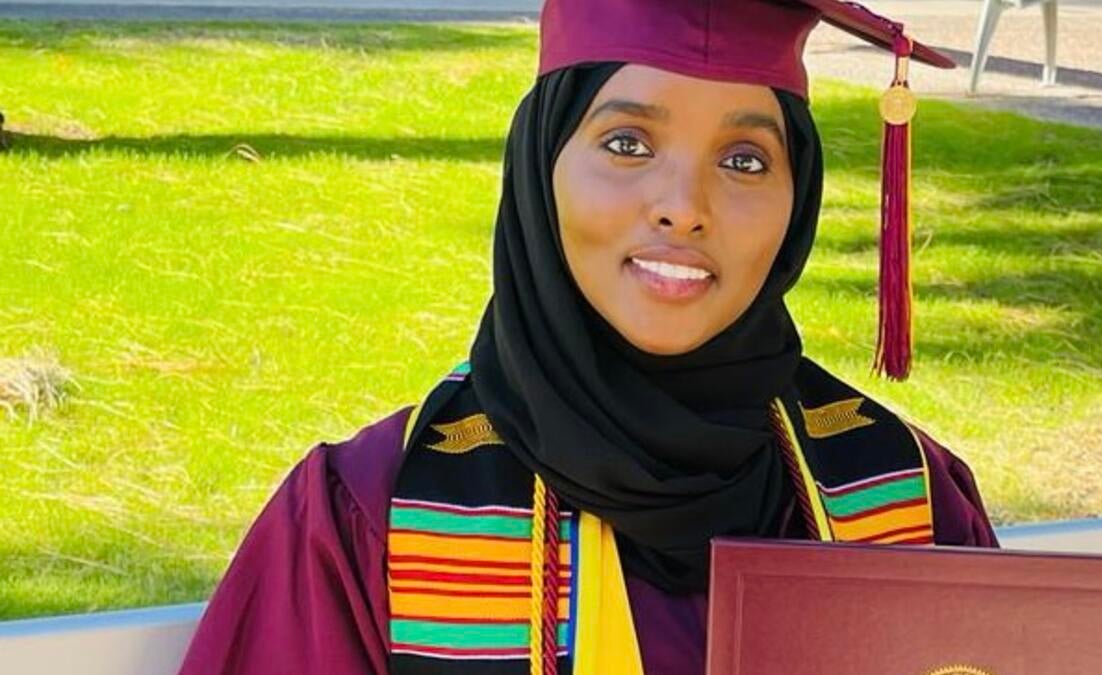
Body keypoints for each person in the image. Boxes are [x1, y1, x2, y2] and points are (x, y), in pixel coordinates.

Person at [179, 1, 999, 673]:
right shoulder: (368, 516)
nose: (684, 204)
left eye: (746, 159)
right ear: (541, 168)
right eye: (626, 142)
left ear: (801, 198)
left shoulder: (903, 496)